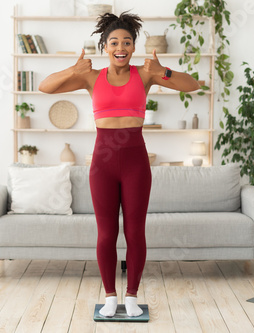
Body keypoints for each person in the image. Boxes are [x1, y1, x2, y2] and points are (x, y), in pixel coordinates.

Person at [39, 12, 200, 317]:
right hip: (103, 164)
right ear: (105, 47)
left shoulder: (146, 73)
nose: (121, 46)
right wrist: (73, 69)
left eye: (127, 41)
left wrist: (163, 71)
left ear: (134, 46)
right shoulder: (90, 76)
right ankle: (110, 295)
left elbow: (192, 84)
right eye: (114, 42)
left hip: (135, 162)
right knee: (105, 233)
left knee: (136, 232)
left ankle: (132, 296)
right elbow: (46, 87)